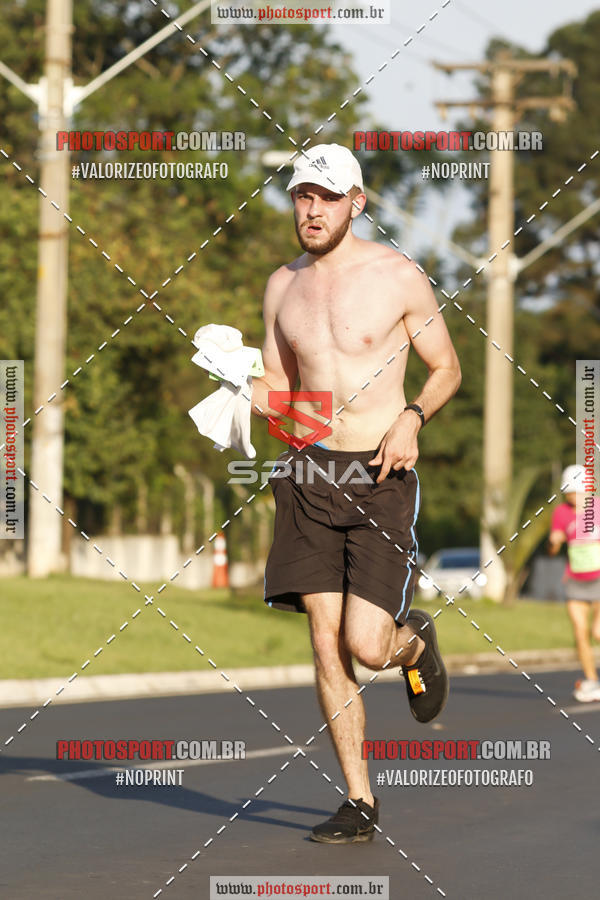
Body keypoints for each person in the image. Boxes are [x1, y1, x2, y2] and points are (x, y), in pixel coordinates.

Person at [250, 143, 462, 843]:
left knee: (367, 645)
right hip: (310, 474)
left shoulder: (397, 276)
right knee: (323, 642)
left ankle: (411, 644)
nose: (311, 210)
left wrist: (412, 417)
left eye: (326, 198)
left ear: (356, 203)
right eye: (302, 196)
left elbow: (446, 369)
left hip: (379, 476)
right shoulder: (282, 286)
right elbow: (288, 399)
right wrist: (242, 392)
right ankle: (359, 800)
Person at [549, 464, 600, 702]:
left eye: (576, 492)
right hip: (575, 581)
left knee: (597, 632)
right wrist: (555, 542)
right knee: (580, 633)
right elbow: (553, 549)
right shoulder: (561, 513)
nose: (573, 497)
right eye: (569, 493)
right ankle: (591, 681)